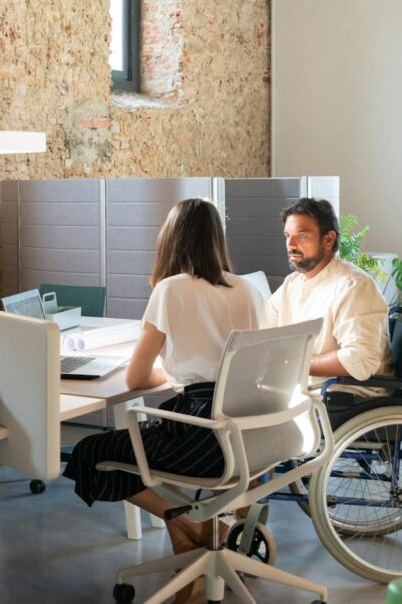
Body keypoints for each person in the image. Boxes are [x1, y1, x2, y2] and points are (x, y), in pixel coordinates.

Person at [62, 198, 262, 596]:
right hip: (251, 435)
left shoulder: (170, 290)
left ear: (171, 241)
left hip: (203, 437)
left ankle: (193, 525)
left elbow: (136, 377)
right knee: (140, 443)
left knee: (92, 454)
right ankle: (186, 543)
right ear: (216, 240)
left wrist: (170, 373)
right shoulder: (249, 289)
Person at [267, 198, 391, 390]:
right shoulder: (293, 283)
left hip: (341, 398)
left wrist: (295, 362)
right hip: (303, 391)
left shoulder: (353, 286)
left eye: (301, 236)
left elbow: (361, 358)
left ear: (328, 240)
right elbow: (261, 327)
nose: (291, 244)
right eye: (287, 236)